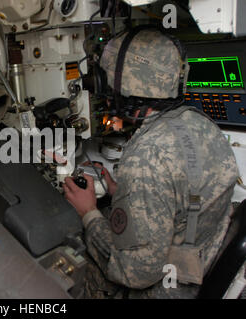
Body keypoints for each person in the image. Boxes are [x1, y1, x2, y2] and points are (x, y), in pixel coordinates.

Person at [63, 28, 239, 298]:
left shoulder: (146, 155)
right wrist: (123, 194)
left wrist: (88, 213)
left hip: (166, 289)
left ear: (124, 84)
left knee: (81, 267)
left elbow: (134, 273)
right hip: (201, 258)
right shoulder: (202, 124)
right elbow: (182, 196)